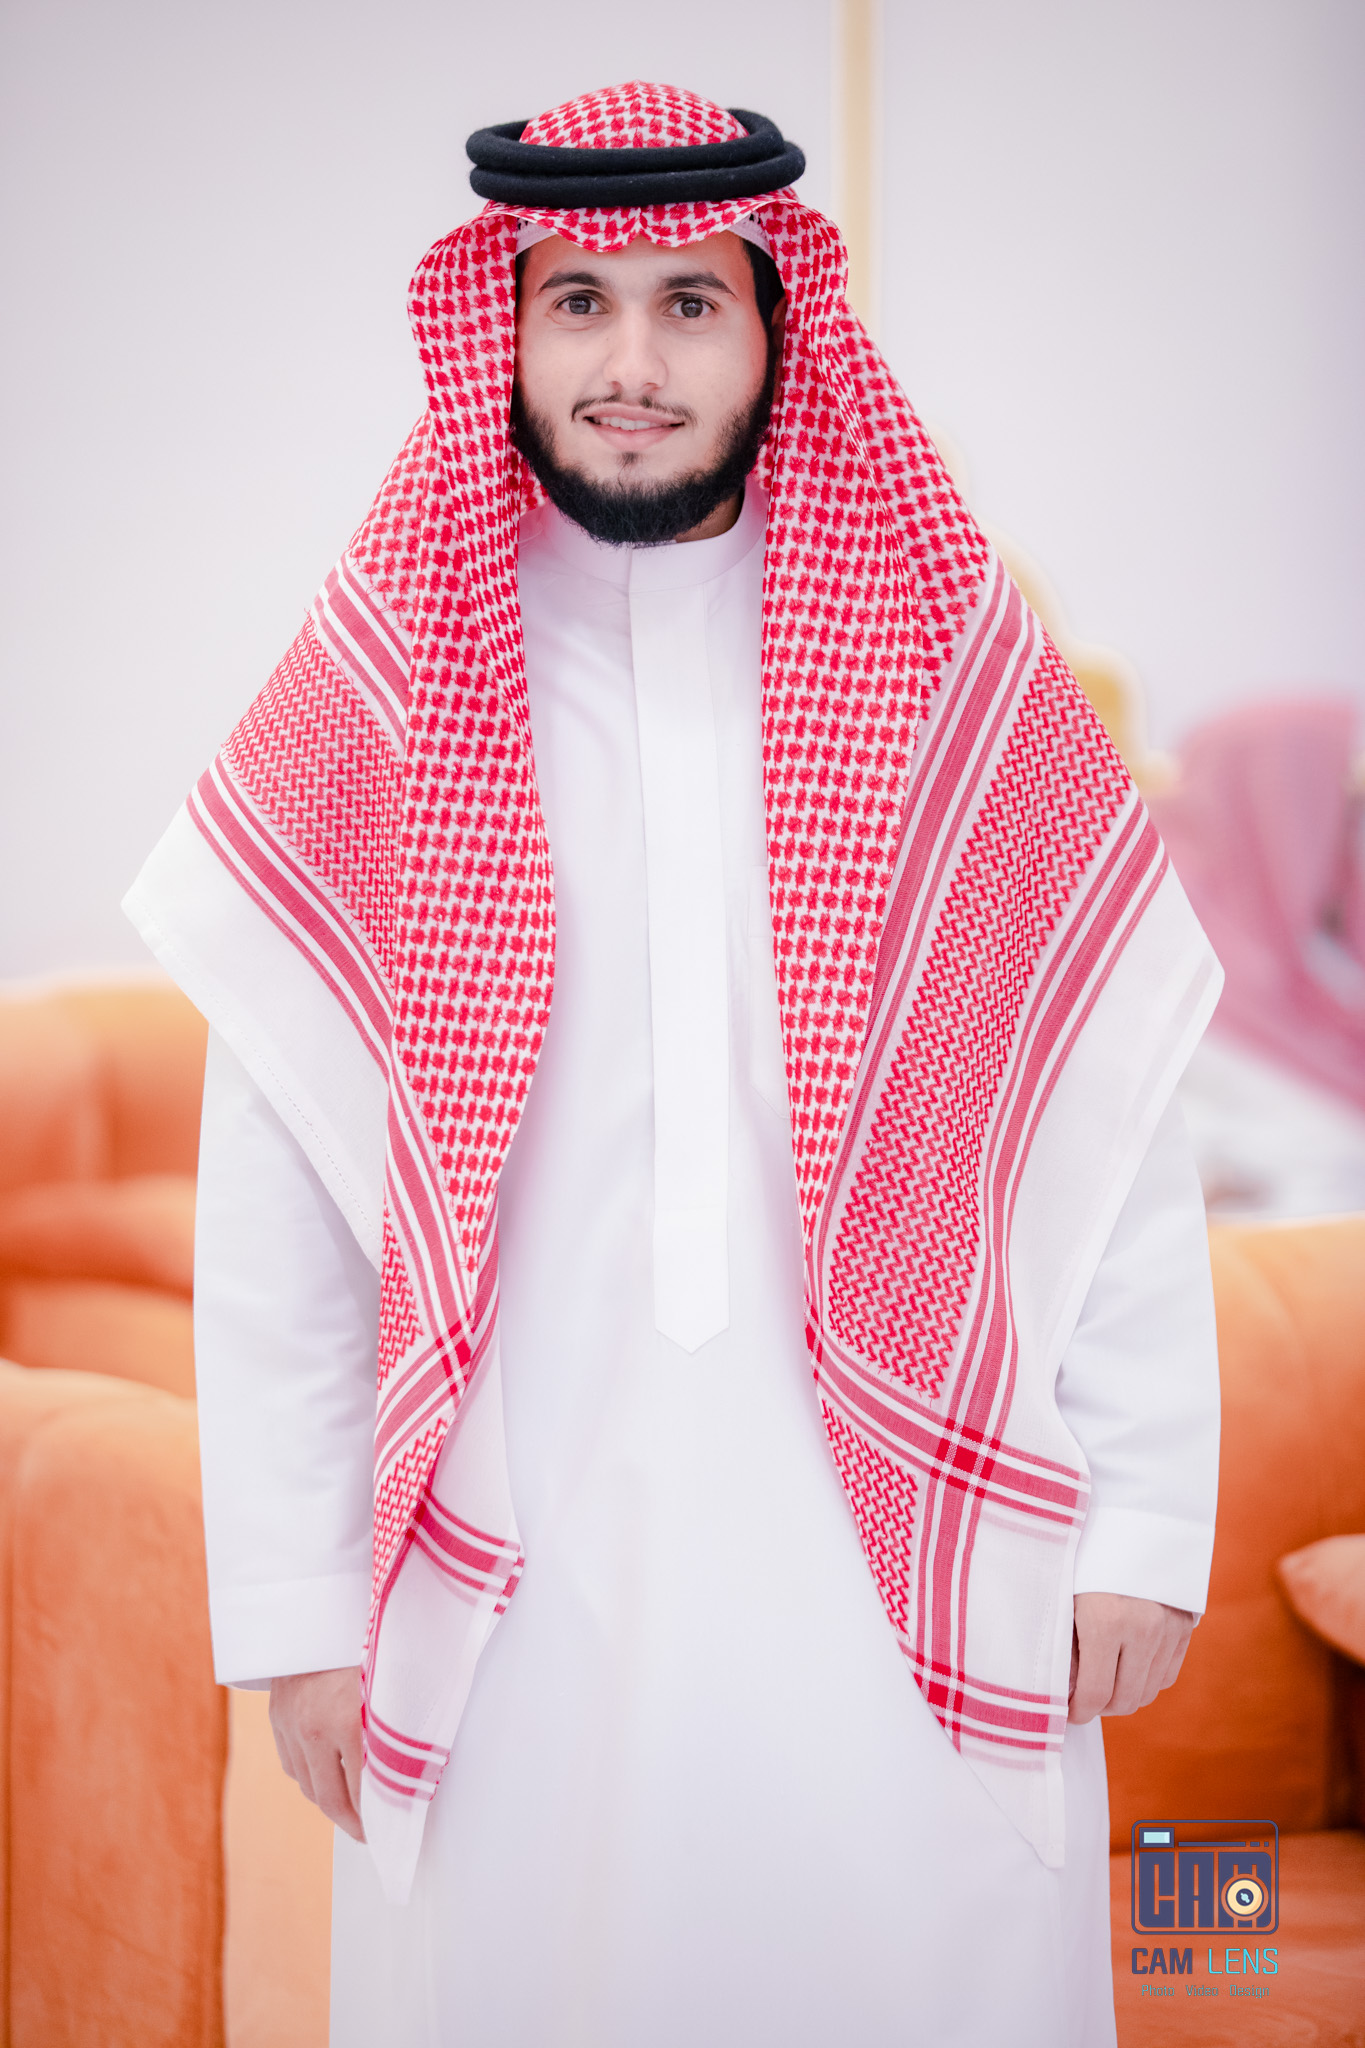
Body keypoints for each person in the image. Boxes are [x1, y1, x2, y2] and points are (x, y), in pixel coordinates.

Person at [126, 81, 1222, 2048]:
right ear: (504, 328)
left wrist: (1139, 1518)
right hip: (514, 1590)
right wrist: (294, 1609)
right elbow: (278, 1198)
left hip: (905, 1575)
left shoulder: (943, 668)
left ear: (775, 326)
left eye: (688, 303)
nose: (629, 364)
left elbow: (1106, 1107)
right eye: (577, 301)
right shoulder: (390, 688)